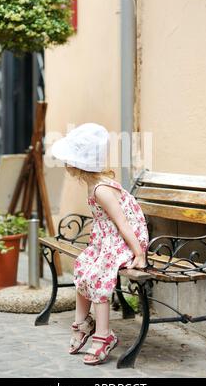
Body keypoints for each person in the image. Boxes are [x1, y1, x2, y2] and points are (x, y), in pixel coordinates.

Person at [51, 123, 149, 365]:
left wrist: (140, 254)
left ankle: (104, 335)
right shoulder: (93, 183)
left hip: (126, 239)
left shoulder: (102, 190)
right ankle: (83, 322)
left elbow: (123, 223)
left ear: (77, 163)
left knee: (98, 274)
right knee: (84, 265)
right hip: (109, 237)